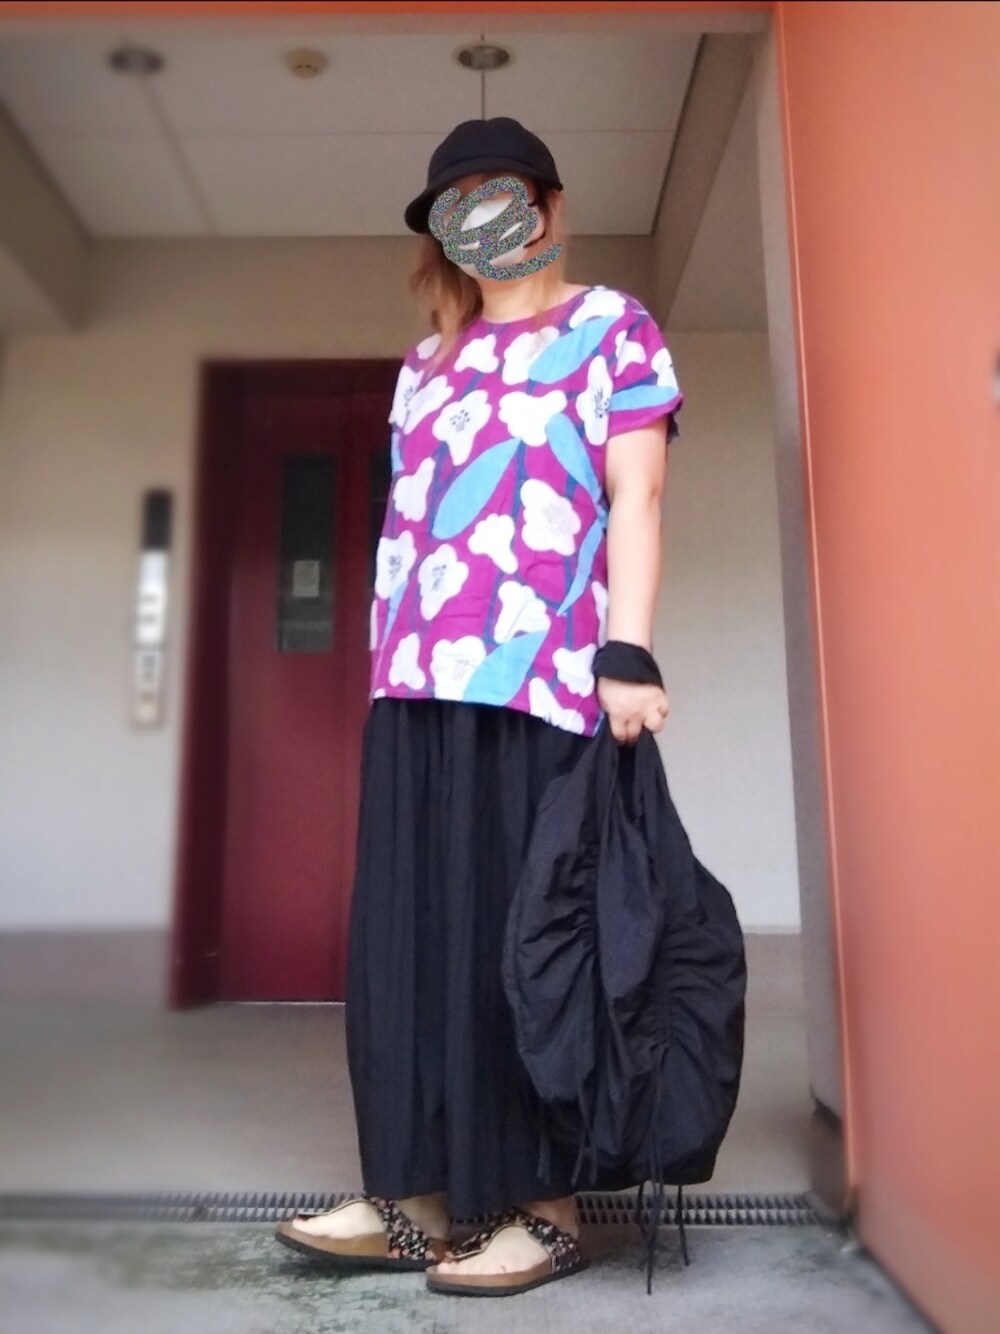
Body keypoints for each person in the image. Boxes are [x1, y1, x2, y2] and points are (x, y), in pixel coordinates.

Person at [275, 116, 684, 1297]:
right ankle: (411, 1198)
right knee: (407, 937)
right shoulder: (426, 365)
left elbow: (636, 497)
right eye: (457, 205)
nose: (483, 220)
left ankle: (545, 1210)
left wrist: (627, 650)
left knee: (527, 941)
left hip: (542, 680)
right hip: (415, 682)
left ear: (548, 207)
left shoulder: (612, 326)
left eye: (502, 195)